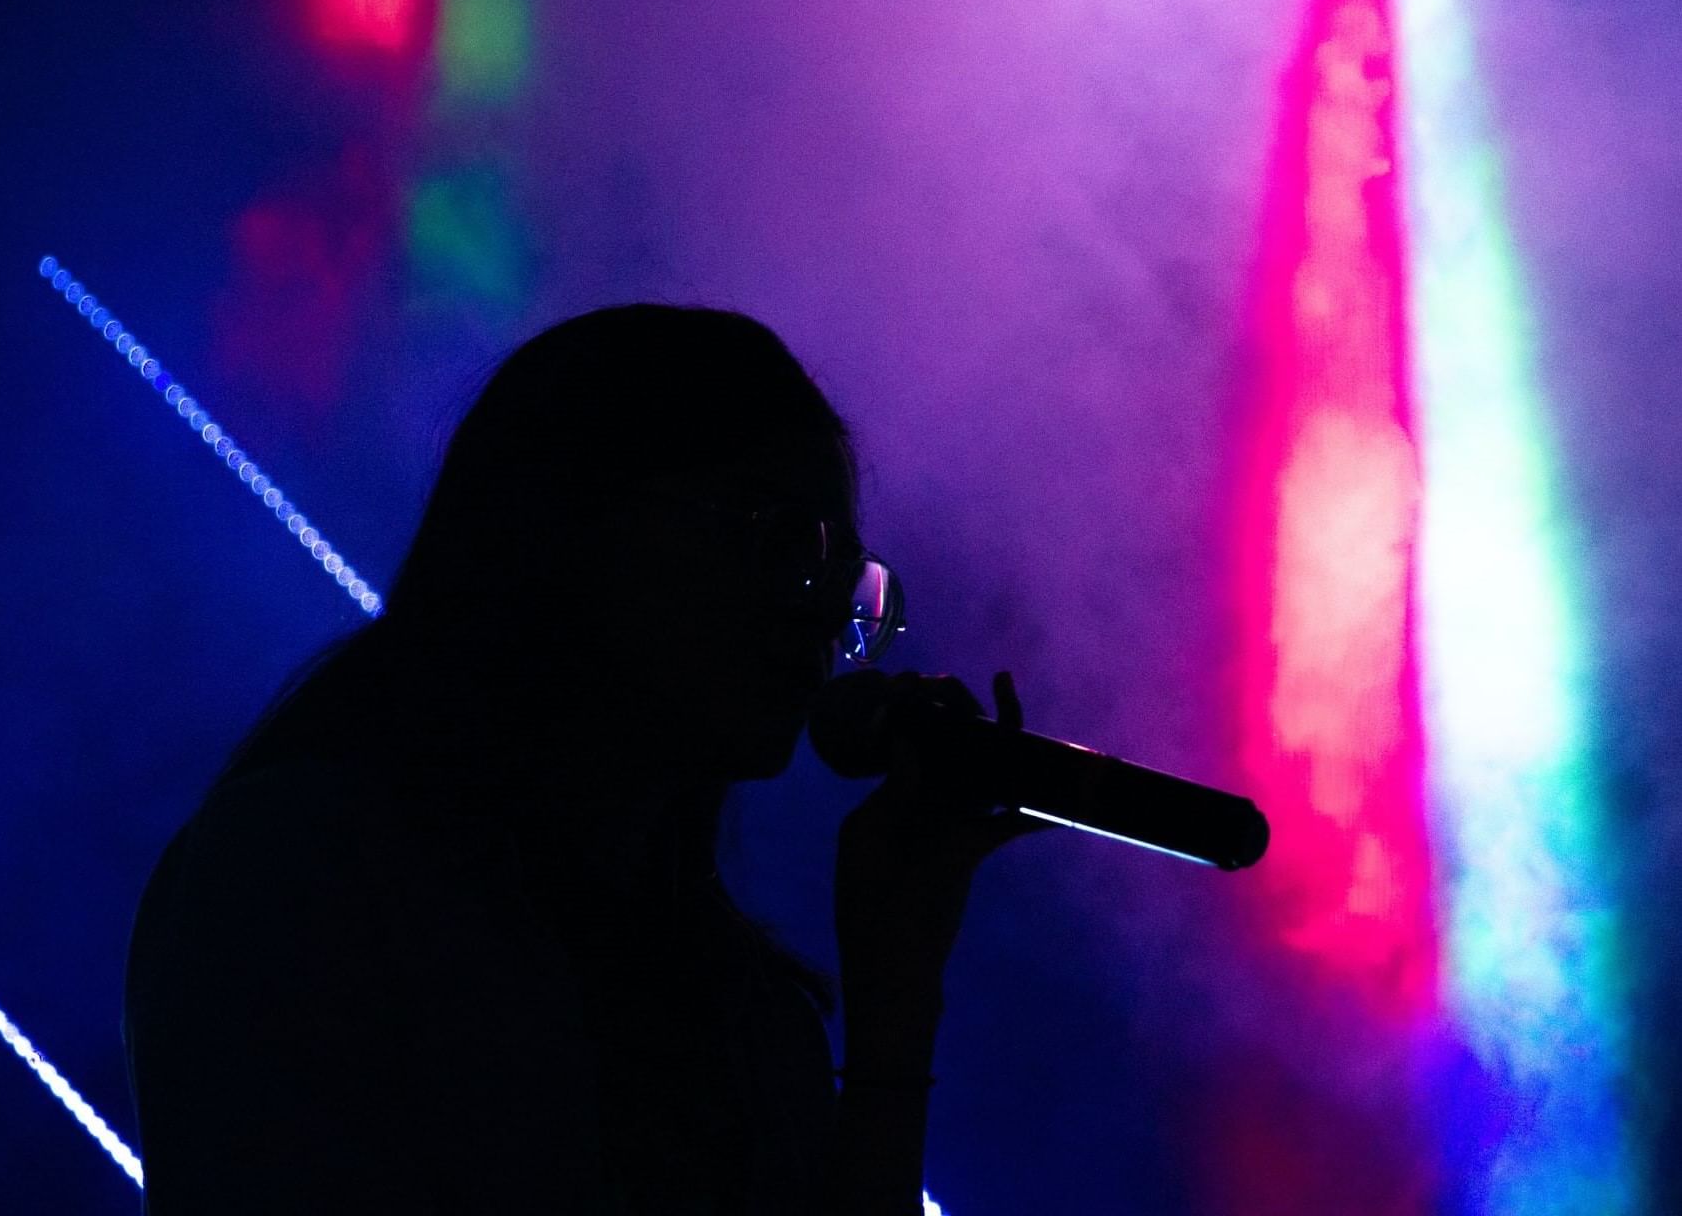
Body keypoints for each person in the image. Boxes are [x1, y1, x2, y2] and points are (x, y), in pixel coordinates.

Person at [123, 304, 1050, 1213]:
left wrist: (896, 984)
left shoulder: (747, 1014)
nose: (816, 613)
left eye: (845, 580)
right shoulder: (303, 871)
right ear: (576, 522)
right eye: (777, 538)